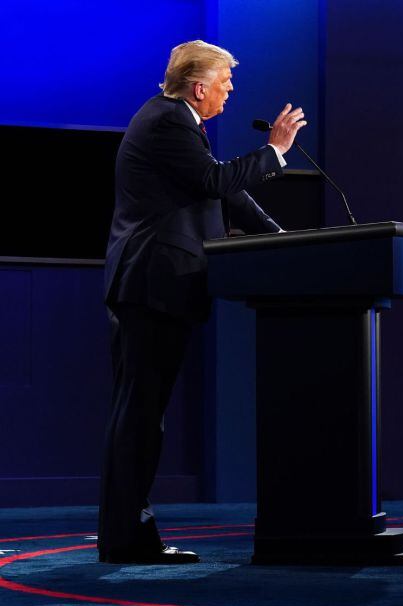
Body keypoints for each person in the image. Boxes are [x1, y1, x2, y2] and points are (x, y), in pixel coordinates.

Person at [99, 40, 307, 564]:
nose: (230, 91)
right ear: (199, 87)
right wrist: (275, 151)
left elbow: (223, 193)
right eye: (225, 83)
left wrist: (283, 236)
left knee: (143, 413)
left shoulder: (175, 122)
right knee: (140, 414)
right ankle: (126, 539)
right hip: (151, 284)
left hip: (154, 286)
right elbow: (216, 180)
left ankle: (129, 536)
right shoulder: (169, 121)